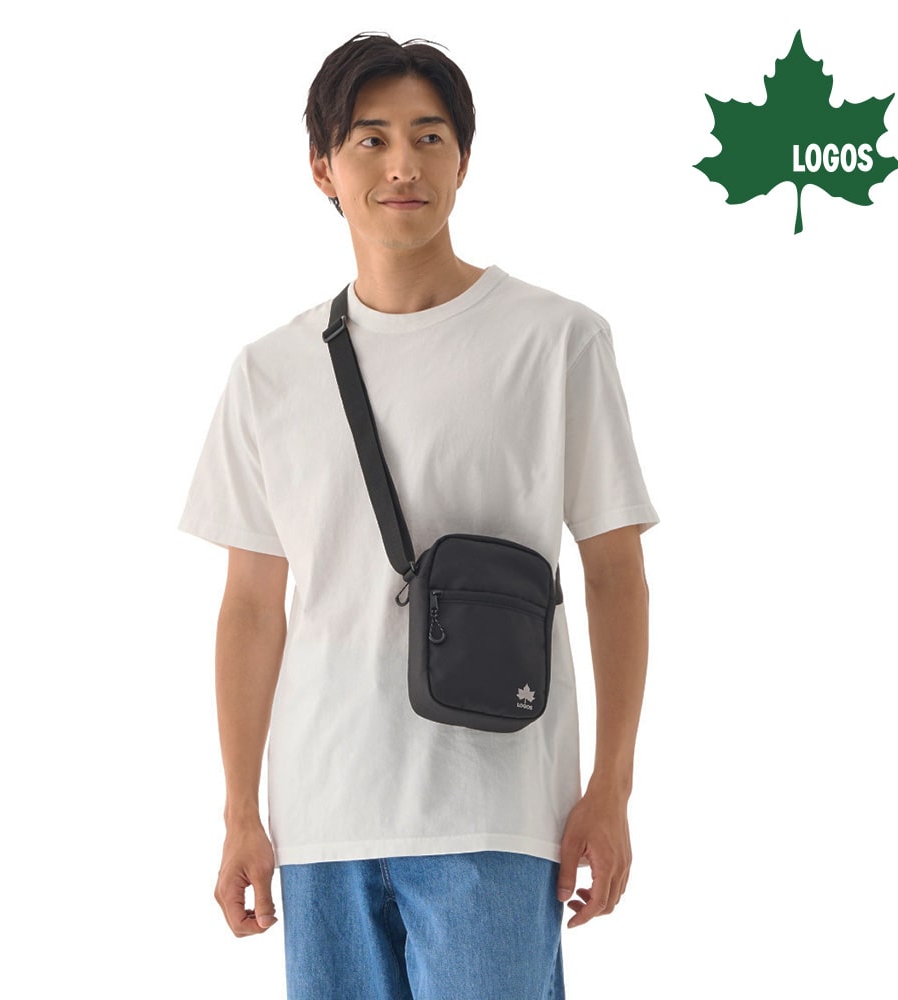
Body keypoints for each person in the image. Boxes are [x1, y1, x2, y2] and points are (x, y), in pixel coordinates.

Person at [178, 31, 659, 1000]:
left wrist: (609, 788)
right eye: (371, 139)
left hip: (495, 811)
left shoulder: (555, 340)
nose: (403, 164)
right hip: (322, 820)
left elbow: (613, 571)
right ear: (322, 167)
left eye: (430, 137)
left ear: (463, 160)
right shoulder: (270, 371)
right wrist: (240, 813)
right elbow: (252, 606)